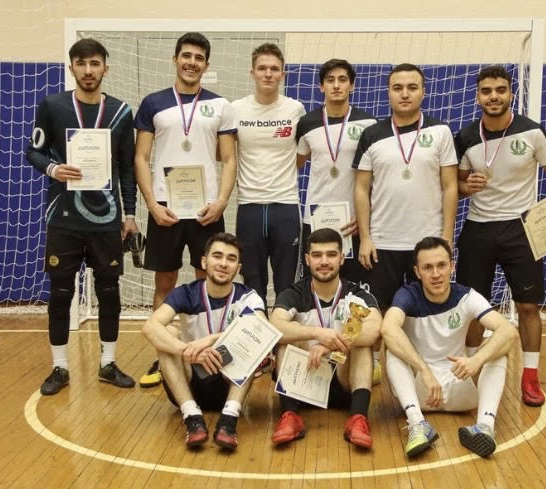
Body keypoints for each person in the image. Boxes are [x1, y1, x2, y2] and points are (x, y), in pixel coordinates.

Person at [456, 65, 546, 407]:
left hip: (521, 230)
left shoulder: (532, 132)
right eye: (486, 91)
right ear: (478, 96)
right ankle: (471, 372)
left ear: (511, 93)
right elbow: (455, 186)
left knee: (528, 306)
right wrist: (467, 187)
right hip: (478, 229)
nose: (493, 96)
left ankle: (530, 375)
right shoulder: (465, 137)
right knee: (472, 309)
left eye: (500, 89)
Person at [26, 38, 138, 395]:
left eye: (95, 63)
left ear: (106, 67)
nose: (88, 70)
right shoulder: (53, 106)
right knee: (60, 293)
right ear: (72, 66)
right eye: (81, 63)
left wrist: (130, 214)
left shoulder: (121, 112)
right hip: (64, 218)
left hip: (107, 220)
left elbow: (127, 169)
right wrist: (53, 169)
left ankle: (108, 363)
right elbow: (33, 151)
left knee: (109, 291)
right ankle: (59, 367)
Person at [134, 32, 237, 387]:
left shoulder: (221, 105)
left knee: (209, 282)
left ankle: (209, 353)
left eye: (198, 58)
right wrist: (152, 204)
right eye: (186, 56)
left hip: (207, 208)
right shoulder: (153, 102)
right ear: (175, 59)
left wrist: (221, 201)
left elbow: (229, 159)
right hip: (166, 209)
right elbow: (141, 157)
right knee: (165, 283)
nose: (192, 62)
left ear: (206, 65)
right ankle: (164, 355)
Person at [382, 237, 518, 458]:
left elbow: (509, 331)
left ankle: (485, 426)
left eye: (441, 265)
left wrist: (476, 360)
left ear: (452, 267)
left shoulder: (467, 296)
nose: (436, 274)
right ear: (417, 272)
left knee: (498, 349)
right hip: (421, 389)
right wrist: (424, 369)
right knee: (391, 347)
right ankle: (417, 425)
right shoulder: (407, 295)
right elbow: (388, 328)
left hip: (459, 382)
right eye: (428, 267)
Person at [141, 232, 266, 450]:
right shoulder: (186, 293)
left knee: (252, 339)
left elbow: (262, 331)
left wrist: (210, 340)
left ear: (238, 268)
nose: (223, 263)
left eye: (231, 259)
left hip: (229, 382)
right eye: (217, 256)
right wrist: (187, 351)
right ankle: (192, 416)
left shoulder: (248, 296)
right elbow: (149, 327)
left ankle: (229, 419)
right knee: (167, 332)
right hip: (189, 381)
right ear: (204, 261)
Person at [353, 63, 458, 311]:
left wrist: (446, 236)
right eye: (397, 88)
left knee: (426, 314)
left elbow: (451, 186)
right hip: (382, 242)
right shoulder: (372, 134)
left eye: (412, 87)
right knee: (376, 313)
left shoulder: (441, 132)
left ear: (423, 92)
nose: (405, 94)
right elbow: (361, 189)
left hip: (427, 241)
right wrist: (365, 238)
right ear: (388, 92)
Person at [269, 228, 382, 448]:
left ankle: (358, 418)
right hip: (304, 382)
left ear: (342, 258)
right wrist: (317, 333)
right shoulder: (294, 293)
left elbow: (374, 329)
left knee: (361, 343)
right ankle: (290, 415)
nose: (324, 261)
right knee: (286, 337)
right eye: (317, 255)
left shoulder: (356, 294)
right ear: (307, 259)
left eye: (331, 255)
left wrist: (333, 343)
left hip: (344, 380)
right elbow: (274, 325)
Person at [232, 42, 306, 306]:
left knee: (286, 283)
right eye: (262, 68)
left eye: (274, 69)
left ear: (282, 74)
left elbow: (301, 154)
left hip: (285, 206)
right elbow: (225, 154)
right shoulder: (236, 109)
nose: (268, 74)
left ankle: (285, 332)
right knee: (252, 282)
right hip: (249, 206)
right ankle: (257, 333)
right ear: (252, 72)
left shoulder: (295, 109)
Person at [295, 59, 377, 284]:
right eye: (330, 80)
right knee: (316, 282)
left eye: (342, 80)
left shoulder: (368, 123)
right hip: (315, 217)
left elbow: (376, 177)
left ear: (352, 85)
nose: (337, 85)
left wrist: (364, 215)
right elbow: (297, 162)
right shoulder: (307, 123)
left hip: (353, 220)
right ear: (321, 86)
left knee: (353, 286)